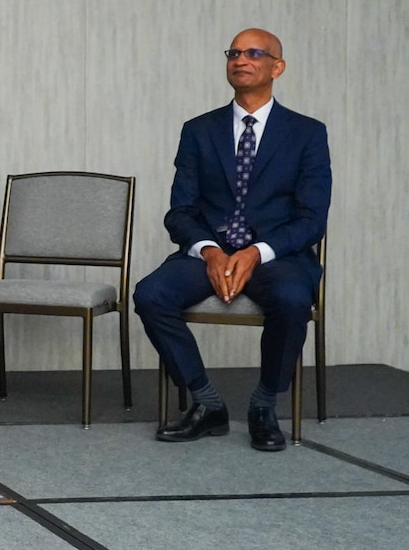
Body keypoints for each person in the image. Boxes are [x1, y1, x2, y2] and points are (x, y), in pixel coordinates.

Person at [135, 28, 330, 452]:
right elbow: (179, 212)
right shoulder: (199, 130)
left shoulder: (307, 134)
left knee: (293, 298)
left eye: (253, 53)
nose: (240, 59)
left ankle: (263, 405)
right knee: (150, 294)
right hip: (210, 251)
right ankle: (207, 404)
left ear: (277, 67)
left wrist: (256, 252)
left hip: (277, 255)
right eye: (234, 53)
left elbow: (312, 218)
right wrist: (208, 250)